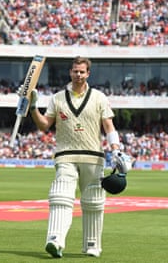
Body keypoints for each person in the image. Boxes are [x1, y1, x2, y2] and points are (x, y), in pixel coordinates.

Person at [27, 56, 124, 258]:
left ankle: (92, 244)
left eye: (82, 71)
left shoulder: (99, 97)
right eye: (75, 71)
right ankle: (55, 240)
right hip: (65, 155)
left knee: (94, 202)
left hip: (93, 157)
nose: (78, 75)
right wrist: (33, 107)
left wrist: (116, 149)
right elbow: (45, 125)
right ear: (70, 72)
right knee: (60, 196)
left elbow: (108, 126)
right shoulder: (57, 98)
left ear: (88, 73)